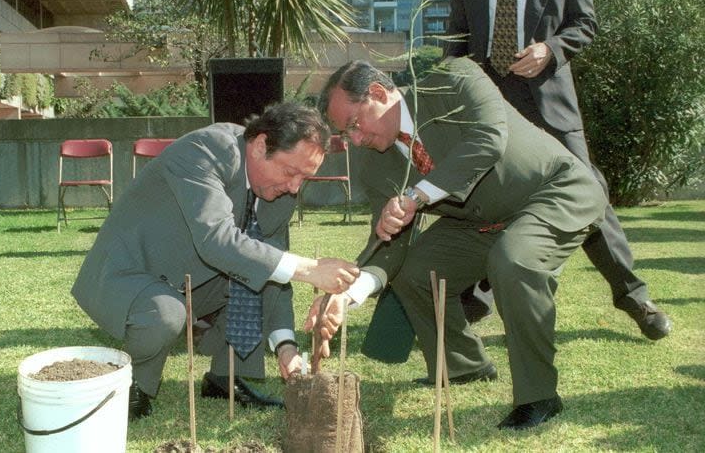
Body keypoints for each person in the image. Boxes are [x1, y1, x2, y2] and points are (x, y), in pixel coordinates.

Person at [306, 57, 607, 429]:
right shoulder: (376, 159)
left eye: (354, 124)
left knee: (513, 260)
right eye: (346, 133)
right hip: (481, 221)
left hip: (553, 192)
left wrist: (414, 197)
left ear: (379, 93)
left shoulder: (455, 77)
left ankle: (539, 395)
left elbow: (488, 139)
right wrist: (348, 296)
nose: (355, 139)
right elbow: (390, 243)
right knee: (415, 271)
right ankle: (463, 366)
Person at [71, 102, 360, 420]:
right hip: (128, 271)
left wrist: (286, 347)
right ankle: (130, 386)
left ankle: (225, 378)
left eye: (304, 178)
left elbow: (272, 269)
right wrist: (311, 269)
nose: (295, 187)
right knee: (166, 312)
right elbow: (217, 241)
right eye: (291, 172)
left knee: (255, 270)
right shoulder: (208, 149)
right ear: (261, 144)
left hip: (189, 276)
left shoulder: (280, 193)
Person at [443, 0, 670, 339]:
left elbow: (584, 22)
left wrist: (550, 49)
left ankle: (634, 298)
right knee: (490, 196)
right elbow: (456, 37)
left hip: (549, 101)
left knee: (588, 192)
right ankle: (476, 295)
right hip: (489, 103)